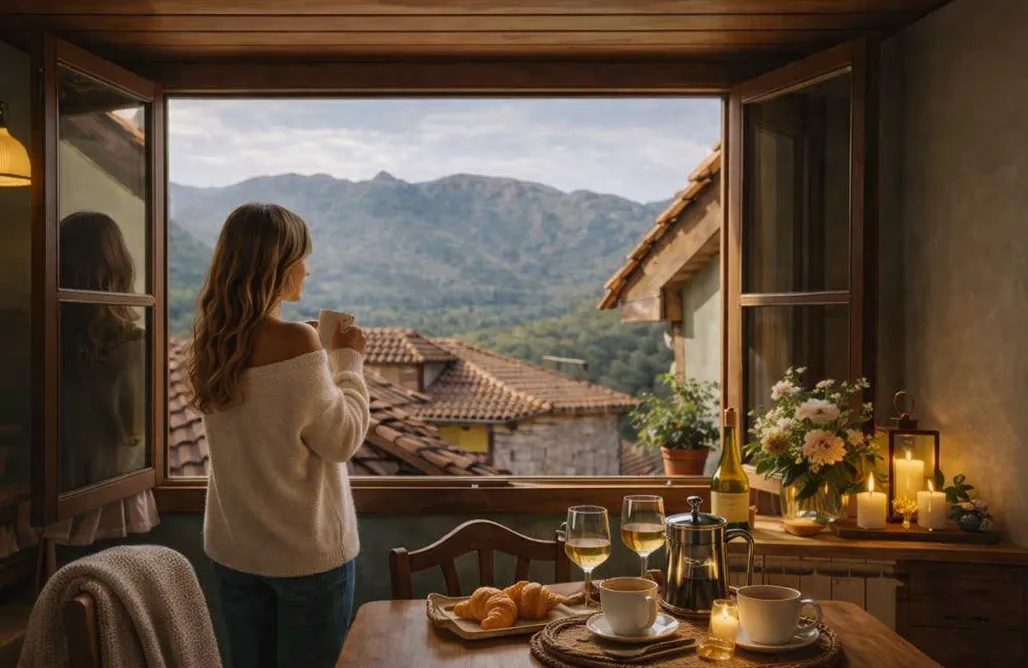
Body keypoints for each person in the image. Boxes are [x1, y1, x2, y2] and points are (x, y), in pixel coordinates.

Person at [186, 203, 369, 668]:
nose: (307, 270)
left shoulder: (213, 341)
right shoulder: (299, 343)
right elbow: (342, 439)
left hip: (234, 549)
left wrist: (311, 360)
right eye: (302, 258)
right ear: (279, 266)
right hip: (305, 557)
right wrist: (347, 362)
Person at [58, 211, 145, 492]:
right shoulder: (134, 347)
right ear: (118, 268)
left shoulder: (38, 342)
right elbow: (135, 431)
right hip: (113, 488)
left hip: (41, 492)